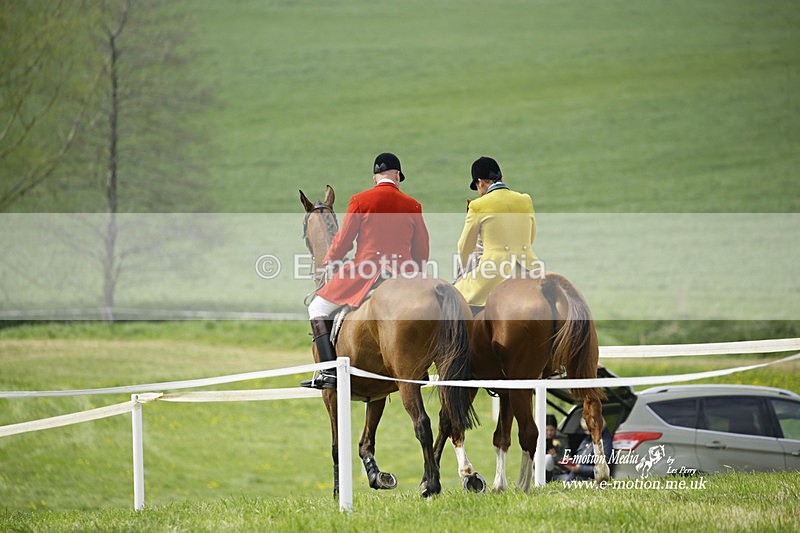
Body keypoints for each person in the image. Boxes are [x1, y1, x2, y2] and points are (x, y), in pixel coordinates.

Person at [301, 153, 430, 389]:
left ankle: (329, 372)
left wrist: (330, 260)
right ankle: (418, 370)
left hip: (365, 273)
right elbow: (422, 251)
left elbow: (343, 242)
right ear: (398, 176)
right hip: (403, 275)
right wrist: (415, 276)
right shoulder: (413, 205)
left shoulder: (361, 200)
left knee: (316, 307)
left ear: (375, 178)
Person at [453, 156, 539, 310]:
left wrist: (466, 269)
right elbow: (531, 238)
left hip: (493, 271)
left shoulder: (478, 205)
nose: (479, 192)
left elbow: (464, 246)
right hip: (530, 268)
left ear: (480, 182)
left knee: (453, 299)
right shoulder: (525, 199)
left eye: (478, 187)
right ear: (501, 178)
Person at [553, 418, 613, 482]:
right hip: (575, 479)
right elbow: (577, 462)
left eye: (589, 430)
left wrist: (579, 469)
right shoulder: (587, 439)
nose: (587, 433)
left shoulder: (605, 443)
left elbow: (602, 471)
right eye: (585, 430)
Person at [544, 414, 569, 481]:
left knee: (568, 480)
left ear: (556, 429)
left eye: (551, 430)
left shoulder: (563, 440)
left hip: (559, 473)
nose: (549, 433)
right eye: (546, 430)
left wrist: (555, 456)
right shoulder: (539, 440)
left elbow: (568, 461)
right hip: (541, 475)